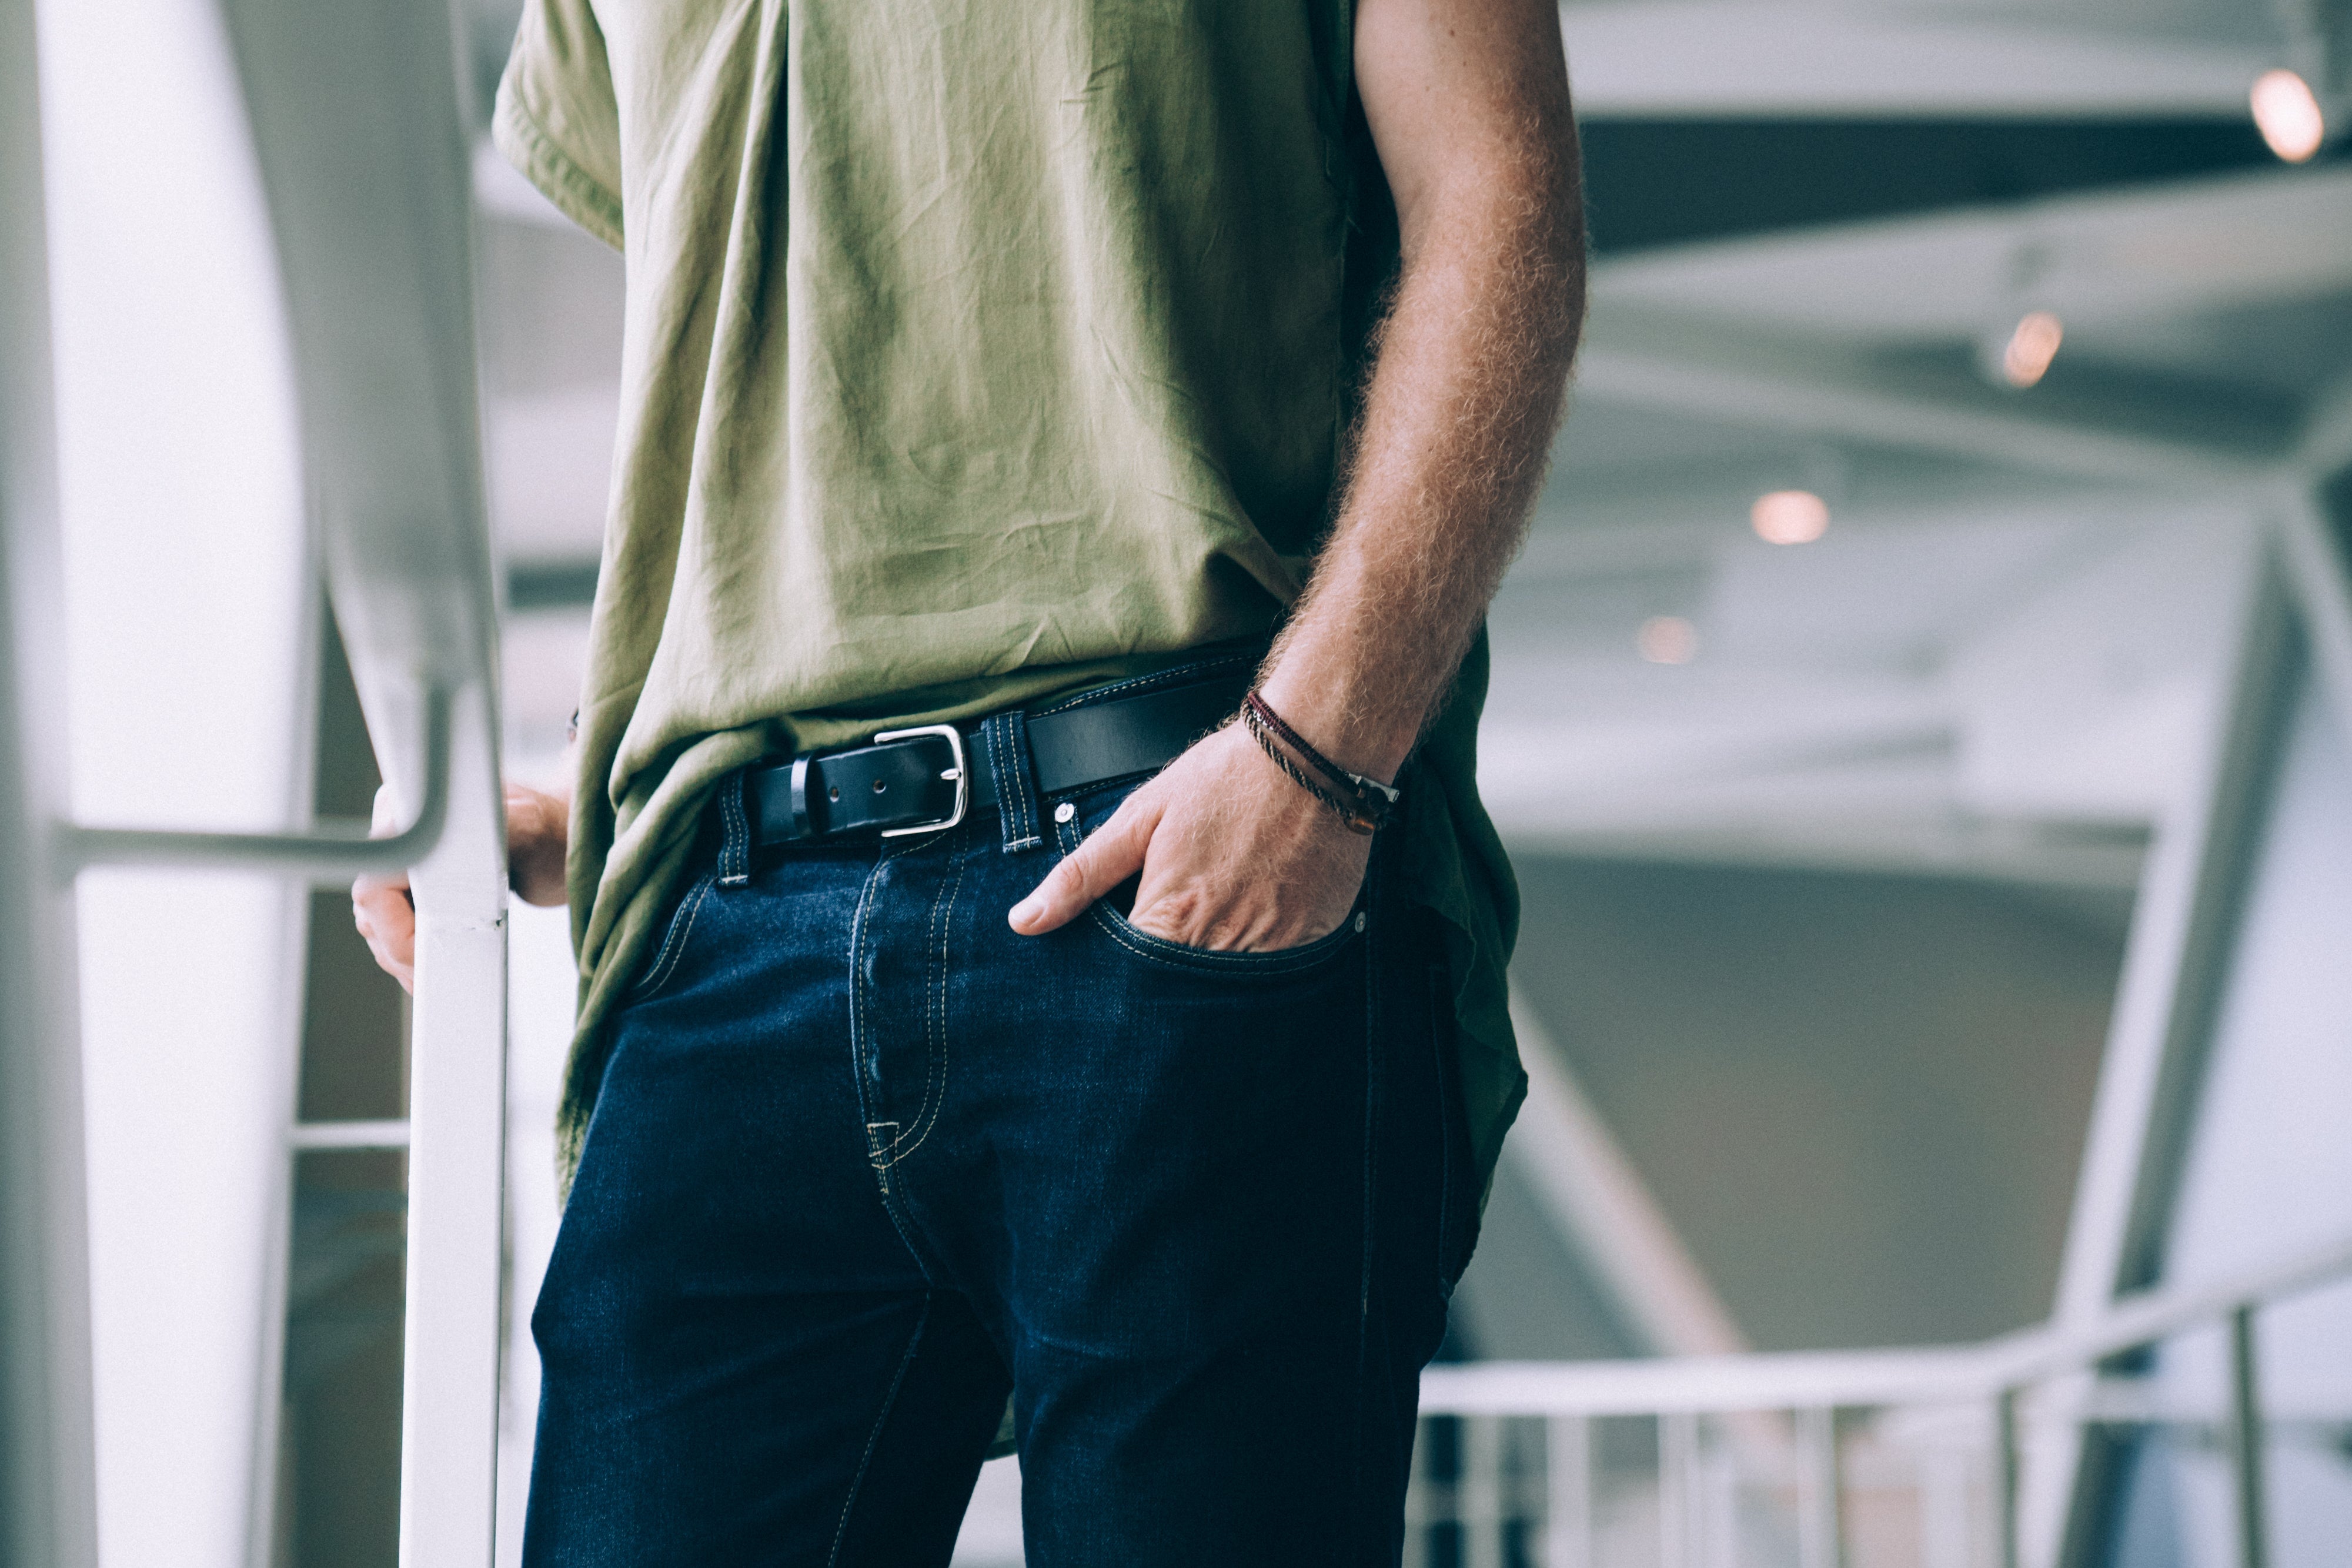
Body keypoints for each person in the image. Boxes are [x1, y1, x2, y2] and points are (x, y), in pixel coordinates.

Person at [355, 0, 1582, 1560]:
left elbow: (1497, 194)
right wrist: (586, 808)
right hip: (732, 906)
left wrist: (1311, 759)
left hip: (1173, 865)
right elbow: (747, 312)